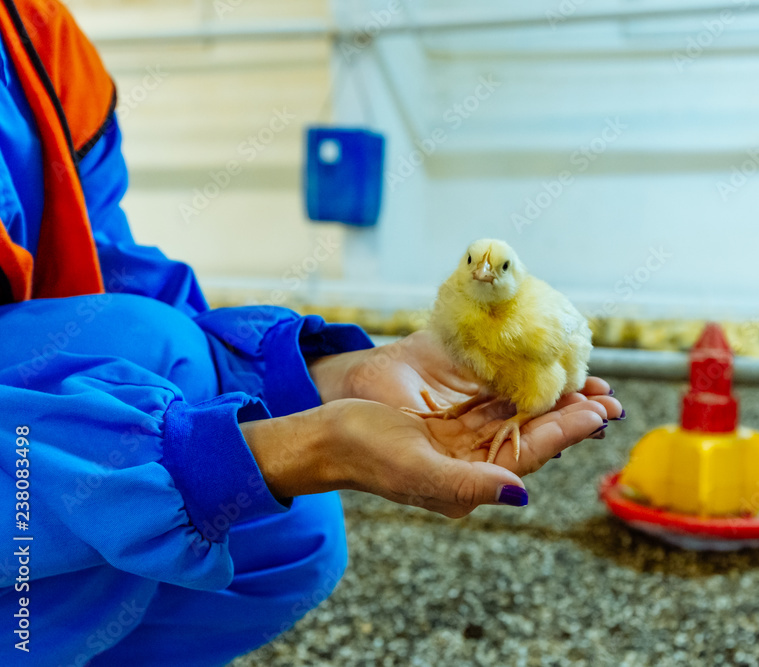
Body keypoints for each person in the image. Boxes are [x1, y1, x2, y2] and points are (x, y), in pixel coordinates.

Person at [0, 1, 622, 665]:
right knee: (170, 366)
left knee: (294, 533)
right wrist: (274, 449)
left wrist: (321, 377)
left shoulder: (37, 38)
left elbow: (108, 279)